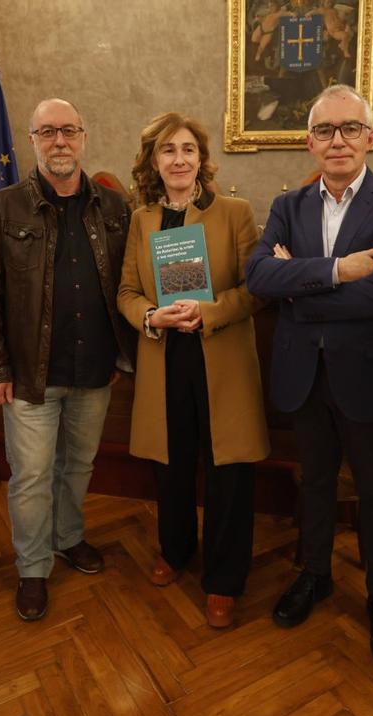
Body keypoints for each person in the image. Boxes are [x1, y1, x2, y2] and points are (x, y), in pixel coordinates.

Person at [245, 84, 373, 668]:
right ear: (309, 142)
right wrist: (341, 271)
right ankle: (314, 574)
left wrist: (303, 284)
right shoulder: (286, 207)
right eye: (325, 130)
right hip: (304, 374)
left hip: (368, 376)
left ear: (371, 136)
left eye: (350, 128)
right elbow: (259, 280)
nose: (338, 140)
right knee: (314, 482)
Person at [0, 99, 135, 621]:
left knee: (78, 465)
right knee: (33, 475)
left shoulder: (113, 208)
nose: (59, 141)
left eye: (68, 131)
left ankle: (69, 537)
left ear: (83, 137)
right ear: (33, 140)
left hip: (95, 370)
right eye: (48, 133)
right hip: (28, 375)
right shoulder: (3, 207)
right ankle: (34, 568)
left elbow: (130, 282)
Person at [117, 112, 269, 628]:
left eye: (187, 149)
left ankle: (225, 579)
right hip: (165, 357)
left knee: (227, 469)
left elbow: (256, 289)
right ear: (153, 163)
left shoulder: (235, 212)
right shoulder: (142, 221)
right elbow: (126, 293)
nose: (178, 159)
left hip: (219, 354)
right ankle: (175, 550)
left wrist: (211, 310)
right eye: (167, 151)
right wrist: (150, 316)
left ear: (202, 160)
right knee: (171, 462)